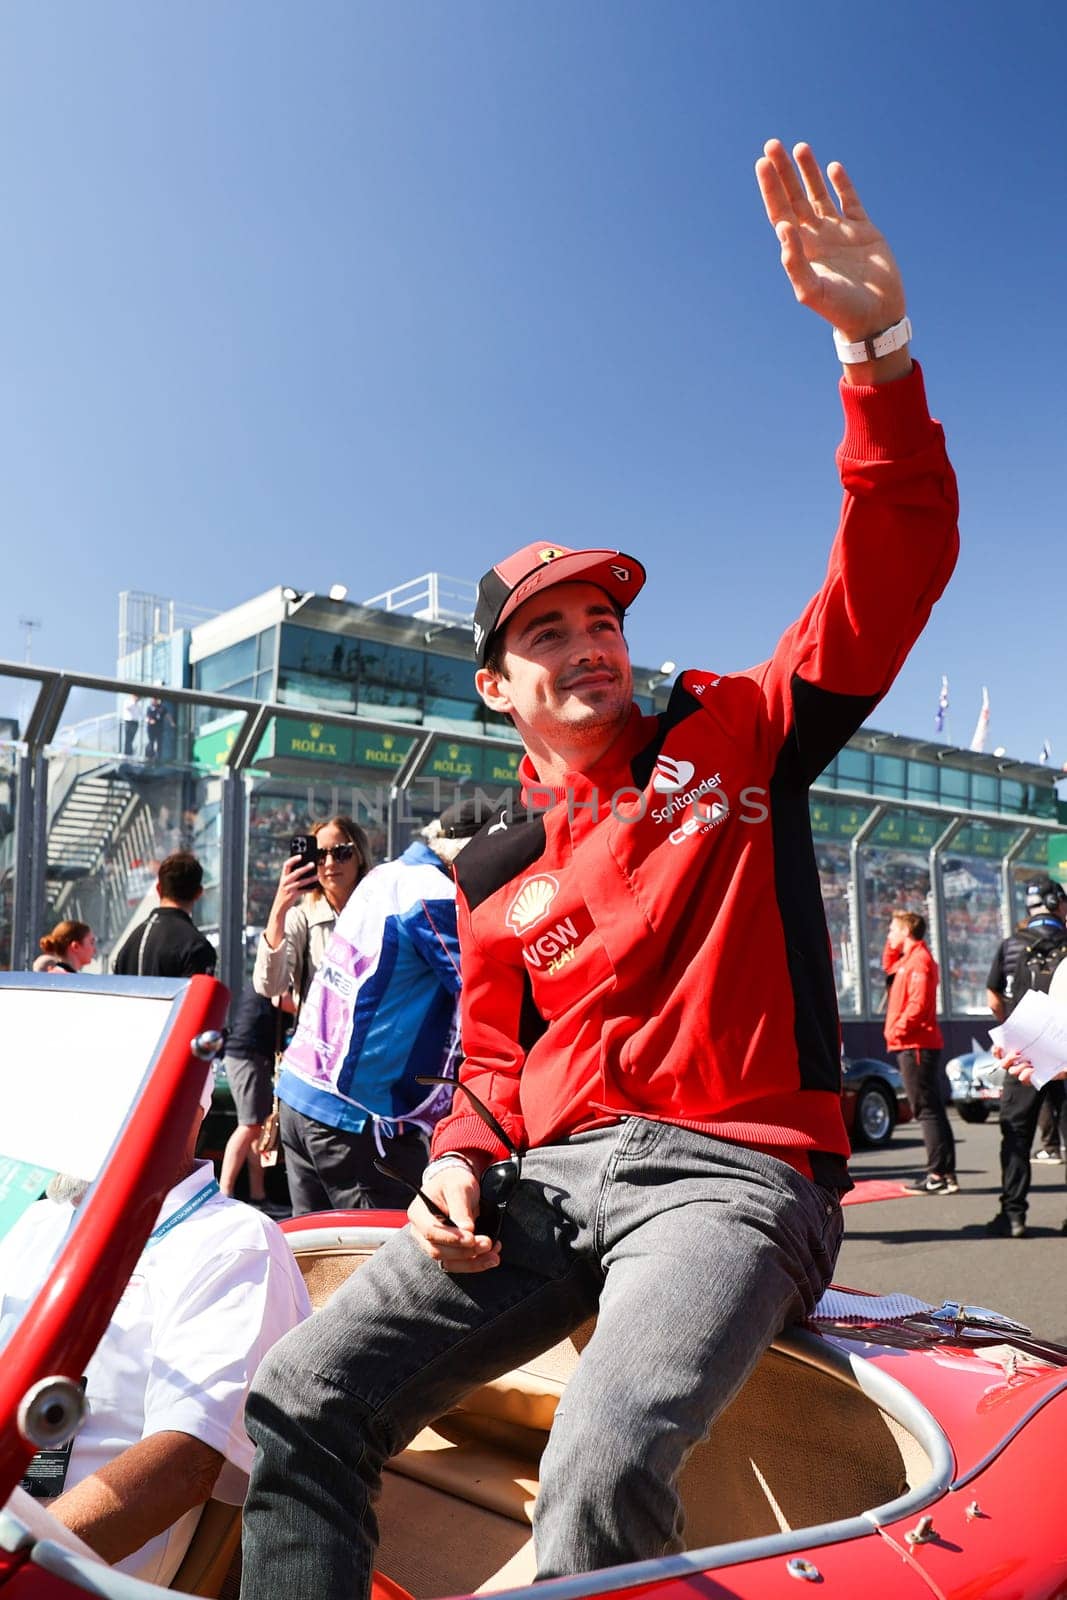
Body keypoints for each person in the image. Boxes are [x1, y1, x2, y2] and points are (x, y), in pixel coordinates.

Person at [238, 139, 959, 1600]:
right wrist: (451, 1159)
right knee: (298, 1397)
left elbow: (889, 564)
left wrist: (873, 352)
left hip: (732, 1184)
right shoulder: (485, 869)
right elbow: (492, 1068)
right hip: (540, 1190)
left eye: (600, 621)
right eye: (547, 635)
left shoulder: (739, 730)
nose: (588, 646)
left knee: (597, 1459)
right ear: (497, 688)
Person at [0, 1066, 311, 1585]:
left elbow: (182, 1464)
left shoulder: (232, 1244)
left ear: (184, 1107)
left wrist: (17, 1569)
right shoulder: (37, 1222)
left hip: (57, 1573)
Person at [270, 801, 481, 1215]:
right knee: (376, 1261)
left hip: (301, 1093)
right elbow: (477, 984)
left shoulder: (385, 876)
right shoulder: (431, 891)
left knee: (314, 1262)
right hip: (351, 1114)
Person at [985, 876, 1067, 1239]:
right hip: (1064, 1051)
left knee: (1016, 1133)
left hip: (1023, 1055)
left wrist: (1011, 1031)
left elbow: (993, 997)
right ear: (1058, 905)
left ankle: (1013, 1215)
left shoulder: (1011, 945)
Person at [253, 816, 371, 1008]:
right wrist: (279, 908)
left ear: (360, 856)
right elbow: (270, 987)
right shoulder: (301, 918)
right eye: (320, 856)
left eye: (342, 852)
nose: (330, 863)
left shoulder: (380, 913)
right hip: (321, 1036)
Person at [882, 911, 956, 1194]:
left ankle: (938, 1174)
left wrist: (896, 1030)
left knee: (924, 1108)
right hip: (914, 1042)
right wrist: (892, 944)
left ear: (906, 930)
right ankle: (945, 1173)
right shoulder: (907, 959)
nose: (889, 935)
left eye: (892, 930)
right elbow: (887, 966)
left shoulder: (919, 961)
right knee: (932, 1108)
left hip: (915, 1044)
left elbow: (918, 1004)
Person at [218, 984, 292, 1211]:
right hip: (247, 1054)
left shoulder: (276, 973)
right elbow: (285, 1001)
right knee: (249, 1125)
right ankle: (224, 1194)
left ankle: (257, 1198)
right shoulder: (277, 974)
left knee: (257, 1129)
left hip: (252, 1056)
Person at [111, 852, 217, 977]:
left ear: (159, 889)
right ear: (198, 893)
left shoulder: (131, 943)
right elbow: (197, 996)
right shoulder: (197, 947)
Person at [144, 695, 175, 761]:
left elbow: (168, 715)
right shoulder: (149, 708)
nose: (154, 701)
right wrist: (150, 721)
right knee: (151, 743)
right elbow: (146, 718)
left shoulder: (162, 708)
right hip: (151, 729)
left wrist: (172, 723)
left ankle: (158, 758)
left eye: (155, 699)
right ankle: (150, 757)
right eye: (153, 699)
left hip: (159, 729)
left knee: (159, 744)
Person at [121, 693, 143, 757]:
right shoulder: (127, 701)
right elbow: (127, 708)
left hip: (135, 722)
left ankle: (129, 753)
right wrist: (134, 702)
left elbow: (141, 713)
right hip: (128, 722)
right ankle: (127, 753)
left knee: (131, 739)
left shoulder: (139, 704)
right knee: (128, 739)